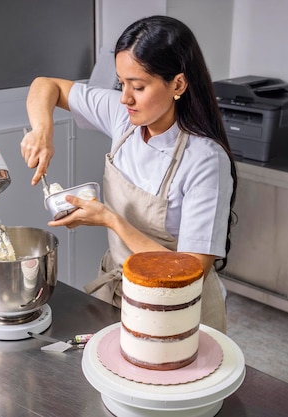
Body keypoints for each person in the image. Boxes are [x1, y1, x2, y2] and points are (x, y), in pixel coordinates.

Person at [21, 15, 237, 333]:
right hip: (120, 294)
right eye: (122, 84)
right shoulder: (124, 118)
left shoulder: (204, 161)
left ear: (178, 84)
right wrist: (43, 131)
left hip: (177, 309)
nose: (125, 98)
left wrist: (110, 219)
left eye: (138, 86)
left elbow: (190, 271)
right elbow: (46, 86)